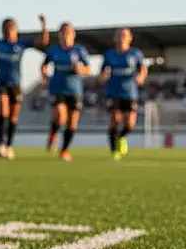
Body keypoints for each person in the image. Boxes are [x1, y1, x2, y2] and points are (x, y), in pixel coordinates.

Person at [0, 6, 47, 160]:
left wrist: (43, 24)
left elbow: (43, 41)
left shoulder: (22, 44)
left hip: (16, 84)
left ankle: (9, 145)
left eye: (11, 28)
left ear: (15, 30)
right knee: (3, 111)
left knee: (13, 117)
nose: (9, 31)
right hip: (1, 82)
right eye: (6, 29)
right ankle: (1, 144)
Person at [41, 22, 93, 162]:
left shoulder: (79, 50)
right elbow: (44, 65)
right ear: (59, 35)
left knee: (72, 123)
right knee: (60, 116)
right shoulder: (53, 50)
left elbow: (88, 69)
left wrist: (80, 69)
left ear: (73, 35)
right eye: (63, 33)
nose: (65, 36)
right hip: (57, 88)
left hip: (74, 90)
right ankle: (53, 134)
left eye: (68, 33)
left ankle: (64, 150)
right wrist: (45, 76)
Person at [97, 27, 147, 161]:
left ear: (130, 38)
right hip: (113, 91)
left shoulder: (135, 53)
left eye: (124, 35)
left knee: (130, 124)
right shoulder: (109, 54)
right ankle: (114, 151)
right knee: (115, 119)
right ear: (114, 38)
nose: (121, 38)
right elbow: (102, 72)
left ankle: (122, 137)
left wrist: (141, 77)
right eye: (119, 35)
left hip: (130, 92)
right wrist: (102, 77)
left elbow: (142, 68)